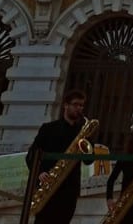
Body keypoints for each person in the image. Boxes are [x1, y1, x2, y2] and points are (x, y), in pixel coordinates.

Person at [26, 89, 92, 224]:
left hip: (70, 189)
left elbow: (88, 160)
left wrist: (89, 140)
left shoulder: (82, 131)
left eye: (81, 105)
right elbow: (31, 155)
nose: (79, 108)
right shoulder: (49, 129)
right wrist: (39, 173)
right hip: (48, 185)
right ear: (65, 105)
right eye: (75, 104)